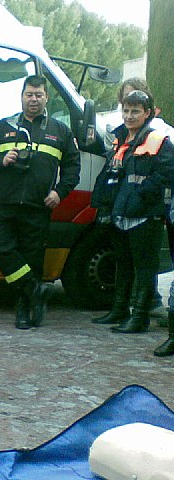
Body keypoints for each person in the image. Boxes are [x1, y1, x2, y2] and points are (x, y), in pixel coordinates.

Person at [0, 75, 81, 330]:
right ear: (22, 96)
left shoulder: (60, 132)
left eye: (39, 95)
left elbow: (72, 168)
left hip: (38, 207)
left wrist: (60, 192)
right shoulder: (3, 127)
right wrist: (1, 159)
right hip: (5, 204)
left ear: (46, 98)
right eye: (29, 94)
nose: (34, 99)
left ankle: (25, 309)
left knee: (32, 259)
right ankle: (35, 289)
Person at [90, 90, 174, 334]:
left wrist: (142, 194)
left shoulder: (158, 140)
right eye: (126, 110)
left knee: (145, 268)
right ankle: (119, 310)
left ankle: (139, 317)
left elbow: (168, 173)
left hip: (145, 215)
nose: (129, 115)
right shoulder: (120, 138)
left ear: (147, 113)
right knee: (123, 264)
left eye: (135, 111)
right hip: (120, 213)